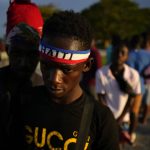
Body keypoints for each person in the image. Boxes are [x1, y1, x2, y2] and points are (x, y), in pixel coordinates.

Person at [8, 10, 120, 150]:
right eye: (46, 66)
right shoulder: (22, 102)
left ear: (86, 65)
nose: (54, 78)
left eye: (66, 69)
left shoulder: (100, 120)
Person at [0, 23, 40, 149]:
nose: (23, 63)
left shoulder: (46, 88)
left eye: (31, 55)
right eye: (17, 54)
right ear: (7, 50)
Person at [96, 41, 142, 146]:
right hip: (107, 118)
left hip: (124, 120)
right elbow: (101, 98)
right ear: (112, 53)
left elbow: (132, 100)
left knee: (119, 145)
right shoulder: (101, 73)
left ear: (127, 57)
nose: (119, 55)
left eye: (123, 53)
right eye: (117, 52)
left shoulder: (133, 74)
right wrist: (109, 118)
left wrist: (120, 118)